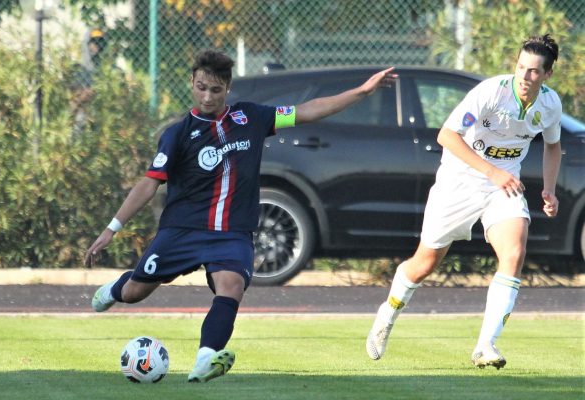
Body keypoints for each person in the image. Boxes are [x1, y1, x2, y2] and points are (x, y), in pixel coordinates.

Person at [85, 49, 398, 383]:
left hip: (233, 233)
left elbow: (307, 110)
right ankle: (115, 289)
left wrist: (362, 92)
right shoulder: (177, 134)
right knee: (136, 292)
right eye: (201, 87)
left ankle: (206, 357)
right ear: (192, 83)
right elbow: (149, 184)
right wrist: (112, 229)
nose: (207, 96)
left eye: (215, 90)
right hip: (182, 230)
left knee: (231, 286)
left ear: (228, 88)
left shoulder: (251, 118)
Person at [365, 34, 562, 369]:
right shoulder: (491, 92)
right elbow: (447, 135)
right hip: (459, 183)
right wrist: (492, 171)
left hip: (502, 189)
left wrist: (549, 189)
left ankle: (485, 345)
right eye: (521, 67)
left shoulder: (550, 104)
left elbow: (553, 146)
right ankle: (388, 312)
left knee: (514, 253)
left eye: (533, 71)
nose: (525, 76)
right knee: (424, 263)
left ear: (547, 75)